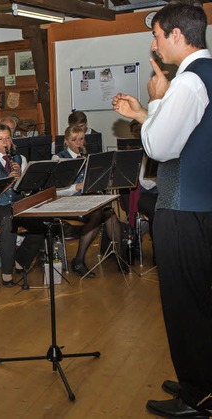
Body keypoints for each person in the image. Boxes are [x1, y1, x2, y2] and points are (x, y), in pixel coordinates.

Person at [112, 3, 212, 417]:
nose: (153, 43)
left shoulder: (187, 83)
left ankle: (196, 397)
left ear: (176, 35)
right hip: (201, 208)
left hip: (183, 209)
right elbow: (184, 130)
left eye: (156, 35)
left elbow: (160, 147)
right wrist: (144, 112)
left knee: (184, 305)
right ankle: (201, 377)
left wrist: (156, 101)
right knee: (200, 300)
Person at [53, 126, 125, 277]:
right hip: (67, 202)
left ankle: (120, 257)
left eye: (81, 139)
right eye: (74, 140)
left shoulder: (88, 157)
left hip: (87, 200)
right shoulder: (59, 158)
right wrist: (76, 187)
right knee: (97, 214)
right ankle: (79, 260)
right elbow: (57, 191)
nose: (78, 143)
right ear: (66, 142)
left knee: (109, 213)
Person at [0, 123, 44, 287]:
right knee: (9, 219)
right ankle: (7, 273)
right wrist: (8, 182)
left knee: (41, 220)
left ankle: (21, 261)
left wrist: (22, 178)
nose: (5, 142)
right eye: (0, 139)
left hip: (16, 205)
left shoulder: (20, 159)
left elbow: (26, 192)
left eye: (8, 138)